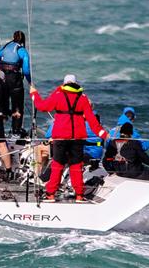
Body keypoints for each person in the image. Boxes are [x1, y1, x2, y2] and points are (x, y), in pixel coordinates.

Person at [30, 74, 107, 203]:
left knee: (57, 166)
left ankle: (50, 194)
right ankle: (79, 195)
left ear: (64, 84)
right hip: (77, 138)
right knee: (76, 167)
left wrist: (34, 94)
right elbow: (92, 120)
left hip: (60, 137)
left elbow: (42, 106)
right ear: (76, 84)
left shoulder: (58, 95)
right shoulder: (83, 98)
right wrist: (103, 134)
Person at [0, 31, 31, 136]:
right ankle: (16, 131)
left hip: (2, 79)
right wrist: (30, 82)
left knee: (2, 105)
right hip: (15, 80)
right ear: (23, 40)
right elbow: (26, 70)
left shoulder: (4, 48)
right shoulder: (21, 50)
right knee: (17, 106)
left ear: (13, 37)